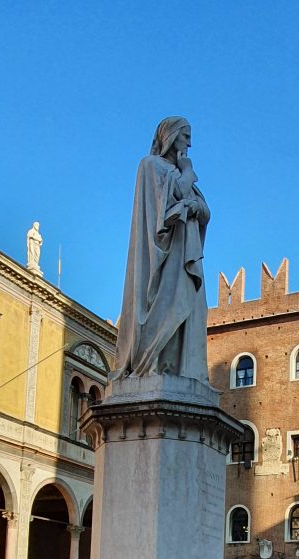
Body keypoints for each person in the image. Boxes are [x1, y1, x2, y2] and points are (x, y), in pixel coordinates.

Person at [114, 116, 210, 384]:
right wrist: (187, 172)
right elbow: (169, 200)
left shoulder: (182, 175)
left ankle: (179, 369)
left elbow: (205, 211)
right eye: (186, 136)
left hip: (185, 253)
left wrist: (195, 206)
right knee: (164, 304)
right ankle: (151, 363)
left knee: (191, 307)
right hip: (163, 255)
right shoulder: (150, 165)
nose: (189, 144)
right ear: (170, 136)